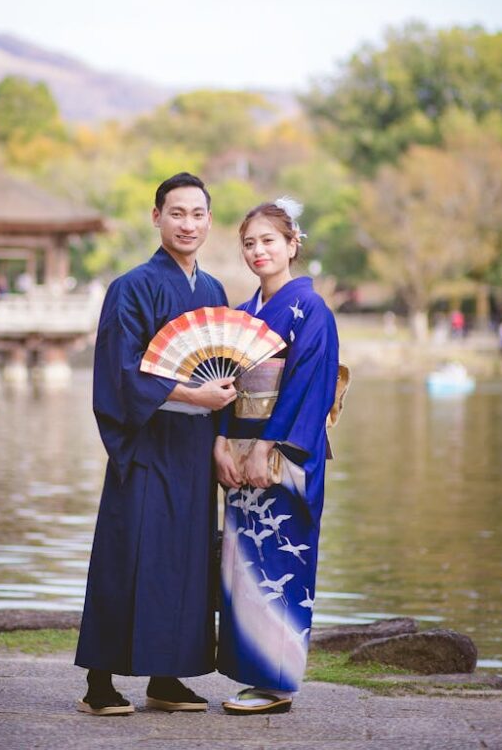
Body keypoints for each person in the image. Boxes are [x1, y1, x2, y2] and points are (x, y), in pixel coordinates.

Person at [75, 172, 238, 716]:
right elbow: (123, 375)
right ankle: (100, 681)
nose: (187, 224)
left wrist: (220, 438)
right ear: (156, 217)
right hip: (146, 442)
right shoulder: (132, 286)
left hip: (193, 447)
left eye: (197, 214)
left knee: (185, 561)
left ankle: (166, 678)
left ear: (209, 222)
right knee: (129, 554)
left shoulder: (213, 291)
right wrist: (194, 396)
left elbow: (224, 366)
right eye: (176, 213)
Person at [214, 198, 340, 715]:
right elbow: (222, 383)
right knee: (244, 564)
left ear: (292, 245)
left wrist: (266, 446)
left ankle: (279, 683)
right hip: (240, 454)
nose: (258, 251)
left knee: (281, 559)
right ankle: (253, 676)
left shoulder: (311, 310)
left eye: (269, 240)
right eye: (249, 243)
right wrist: (220, 442)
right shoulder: (242, 316)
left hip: (283, 454)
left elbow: (310, 383)